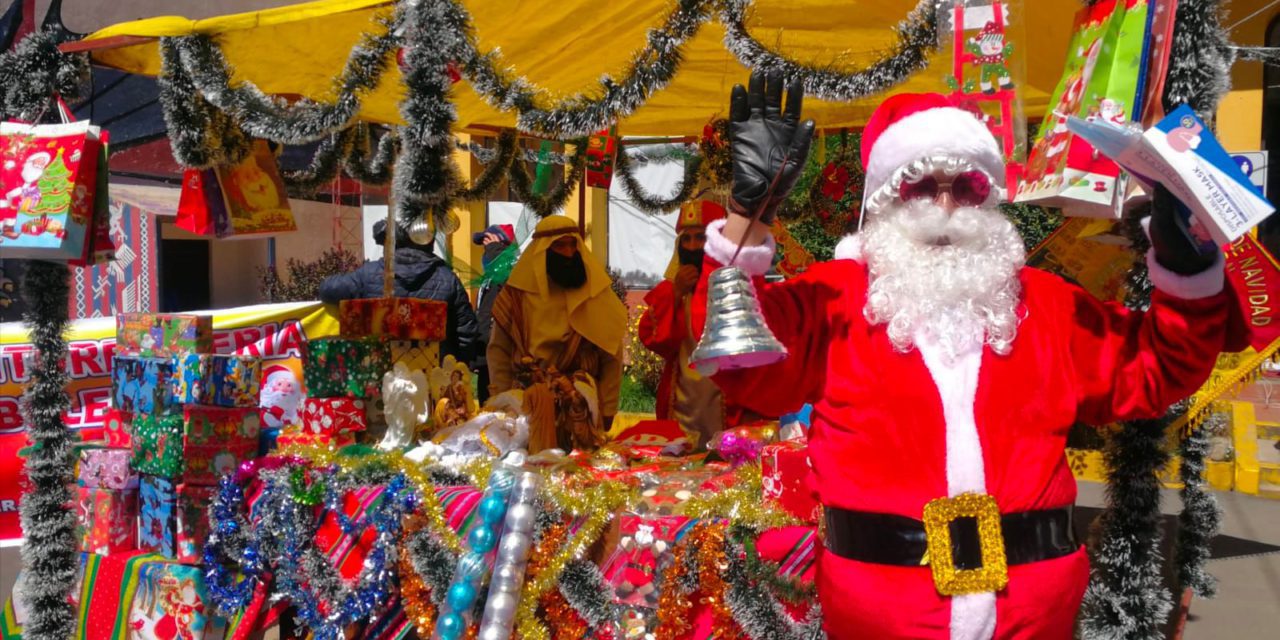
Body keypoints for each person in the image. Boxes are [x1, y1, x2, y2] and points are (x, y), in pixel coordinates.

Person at [691, 72, 1244, 639]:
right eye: (922, 186)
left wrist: (1185, 269)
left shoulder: (1045, 304)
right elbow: (741, 359)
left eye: (967, 188)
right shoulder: (835, 297)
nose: (946, 206)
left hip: (1032, 614)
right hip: (884, 613)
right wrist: (747, 215)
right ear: (886, 199)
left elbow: (1158, 367)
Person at [487, 216, 627, 450]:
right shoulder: (516, 296)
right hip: (525, 405)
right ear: (543, 251)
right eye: (560, 246)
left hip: (578, 406)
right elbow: (499, 351)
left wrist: (609, 407)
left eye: (573, 245)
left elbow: (611, 354)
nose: (569, 252)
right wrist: (501, 400)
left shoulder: (595, 294)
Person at [638, 200, 763, 448]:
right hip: (682, 398)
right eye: (687, 239)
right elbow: (654, 339)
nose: (693, 246)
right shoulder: (667, 291)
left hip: (728, 397)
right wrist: (675, 294)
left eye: (701, 238)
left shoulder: (737, 283)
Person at [319, 219, 479, 365]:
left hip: (379, 373)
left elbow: (327, 290)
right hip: (433, 376)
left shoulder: (368, 274)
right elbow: (466, 333)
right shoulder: (448, 279)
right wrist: (458, 365)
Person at [471, 224, 516, 404]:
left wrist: (496, 253)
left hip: (501, 359)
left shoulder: (509, 274)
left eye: (490, 245)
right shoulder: (488, 279)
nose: (486, 251)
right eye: (485, 247)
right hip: (485, 358)